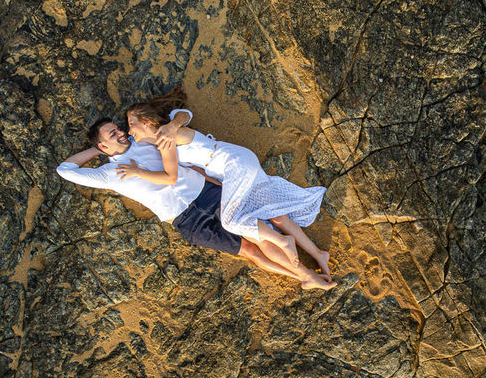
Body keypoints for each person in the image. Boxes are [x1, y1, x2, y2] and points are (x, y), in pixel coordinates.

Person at [56, 119, 336, 290]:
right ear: (104, 147)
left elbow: (181, 119)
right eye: (112, 135)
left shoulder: (146, 141)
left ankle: (307, 272)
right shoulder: (109, 174)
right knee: (249, 250)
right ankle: (305, 275)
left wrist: (118, 138)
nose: (120, 134)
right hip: (186, 221)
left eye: (118, 129)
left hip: (207, 194)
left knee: (257, 231)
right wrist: (97, 148)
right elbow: (65, 170)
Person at [124, 100, 332, 280]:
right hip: (233, 167)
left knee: (232, 221)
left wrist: (138, 168)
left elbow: (184, 118)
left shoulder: (167, 135)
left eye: (132, 124)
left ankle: (283, 241)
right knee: (276, 216)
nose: (129, 131)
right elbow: (198, 169)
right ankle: (318, 254)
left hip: (233, 165)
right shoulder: (163, 138)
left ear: (146, 121)